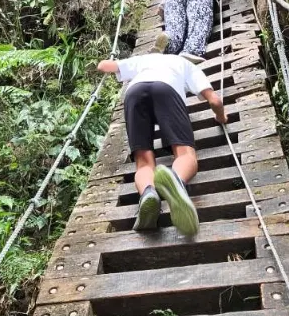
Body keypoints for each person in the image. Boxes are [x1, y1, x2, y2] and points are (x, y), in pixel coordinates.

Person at [96, 53, 227, 235]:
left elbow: (104, 66)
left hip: (134, 92)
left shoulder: (145, 59)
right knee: (185, 154)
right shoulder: (186, 64)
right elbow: (215, 100)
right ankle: (177, 182)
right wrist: (221, 117)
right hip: (167, 90)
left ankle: (148, 193)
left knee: (143, 162)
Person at [156, 0, 235, 64]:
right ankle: (191, 51)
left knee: (175, 30)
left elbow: (160, 10)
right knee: (199, 22)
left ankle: (167, 40)